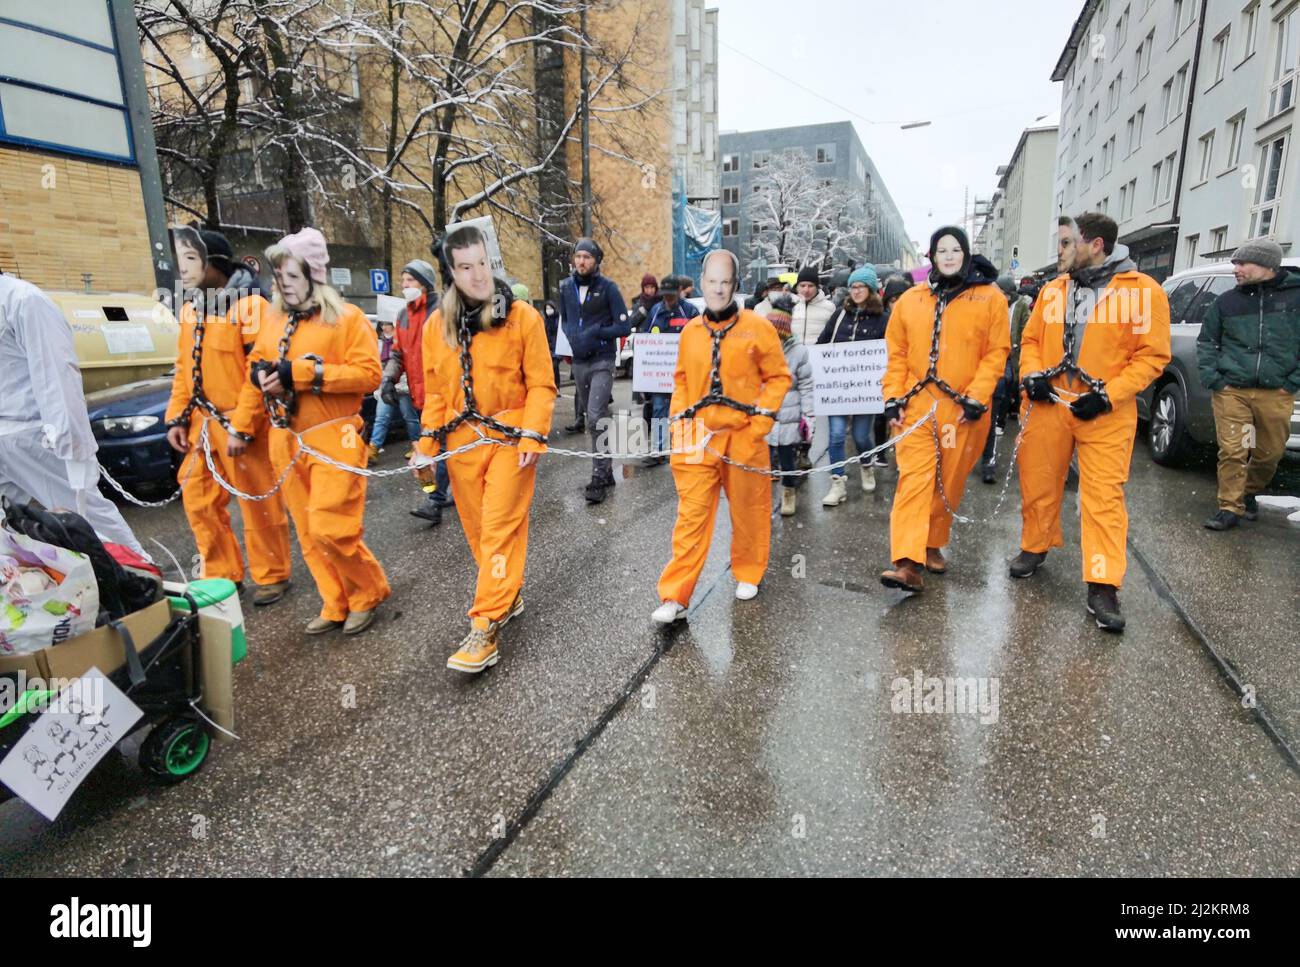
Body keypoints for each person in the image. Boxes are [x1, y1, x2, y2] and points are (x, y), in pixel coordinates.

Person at [1012, 213, 1171, 632]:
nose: (1059, 252)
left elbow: (1152, 356)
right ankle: (1035, 545)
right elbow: (1029, 342)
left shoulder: (1142, 293)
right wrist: (1031, 378)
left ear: (1095, 245)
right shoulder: (1052, 290)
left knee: (1102, 498)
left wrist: (1107, 396)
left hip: (1105, 413)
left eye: (1066, 243)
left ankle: (1102, 582)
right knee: (1039, 481)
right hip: (1049, 405)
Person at [231, 227, 390, 635]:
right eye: (278, 272)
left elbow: (368, 375)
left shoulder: (347, 319)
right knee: (307, 531)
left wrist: (302, 373)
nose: (280, 280)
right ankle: (335, 601)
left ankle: (367, 591)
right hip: (286, 439)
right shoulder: (273, 320)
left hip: (334, 436)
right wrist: (243, 422)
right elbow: (258, 379)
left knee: (330, 526)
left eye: (288, 271)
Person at [414, 225, 556, 673]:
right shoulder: (438, 326)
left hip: (510, 441)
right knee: (478, 532)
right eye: (464, 267)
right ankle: (506, 594)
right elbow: (436, 394)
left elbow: (541, 384)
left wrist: (533, 433)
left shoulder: (522, 318)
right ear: (451, 273)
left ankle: (484, 628)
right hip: (461, 444)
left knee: (497, 529)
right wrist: (425, 444)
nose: (477, 276)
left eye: (483, 264)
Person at [652, 249, 791, 623]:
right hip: (698, 437)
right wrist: (680, 424)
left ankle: (748, 571)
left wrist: (761, 422)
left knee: (749, 510)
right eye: (711, 281)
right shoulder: (691, 333)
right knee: (691, 518)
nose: (717, 288)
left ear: (735, 284)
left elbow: (778, 377)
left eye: (724, 281)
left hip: (744, 435)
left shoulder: (758, 327)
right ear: (701, 283)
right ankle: (675, 595)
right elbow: (681, 381)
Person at [165, 226, 292, 605]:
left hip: (242, 423)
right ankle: (221, 574)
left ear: (215, 264)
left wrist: (244, 426)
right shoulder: (190, 310)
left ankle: (272, 574)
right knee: (198, 499)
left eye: (191, 259)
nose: (183, 269)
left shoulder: (251, 307)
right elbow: (184, 368)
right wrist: (176, 417)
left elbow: (260, 372)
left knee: (258, 501)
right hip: (201, 423)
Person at [879, 227, 1010, 593]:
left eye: (955, 249)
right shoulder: (910, 300)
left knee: (948, 481)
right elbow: (897, 355)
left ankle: (932, 542)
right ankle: (906, 562)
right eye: (942, 250)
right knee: (913, 481)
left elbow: (996, 352)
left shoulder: (990, 299)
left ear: (966, 254)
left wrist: (978, 395)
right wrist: (893, 397)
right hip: (917, 406)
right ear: (932, 257)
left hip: (962, 409)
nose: (949, 256)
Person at [0, 272, 145, 557]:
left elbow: (56, 371)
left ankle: (143, 579)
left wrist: (71, 439)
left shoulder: (23, 300)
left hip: (33, 432)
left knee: (89, 518)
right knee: (10, 537)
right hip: (13, 433)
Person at [1196, 239, 1300, 530]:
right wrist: (1215, 380)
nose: (1236, 269)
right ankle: (1229, 508)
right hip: (1233, 391)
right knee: (1233, 450)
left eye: (1242, 263)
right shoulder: (1226, 301)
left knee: (1270, 453)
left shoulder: (1296, 298)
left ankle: (1246, 491)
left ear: (1267, 265)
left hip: (1276, 392)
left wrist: (1292, 382)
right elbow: (1207, 342)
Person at [558, 238, 630, 502]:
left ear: (596, 260)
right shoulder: (565, 287)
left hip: (602, 359)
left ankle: (598, 477)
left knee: (596, 416)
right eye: (578, 256)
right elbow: (565, 319)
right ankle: (607, 469)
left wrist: (598, 332)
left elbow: (624, 326)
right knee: (593, 416)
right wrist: (572, 337)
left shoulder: (608, 288)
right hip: (579, 360)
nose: (581, 261)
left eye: (587, 257)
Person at [381, 260, 453, 526]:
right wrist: (388, 379)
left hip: (443, 393)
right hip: (417, 395)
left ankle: (434, 500)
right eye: (403, 282)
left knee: (438, 448)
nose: (404, 286)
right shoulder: (402, 315)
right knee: (426, 450)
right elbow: (397, 353)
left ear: (424, 282)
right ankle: (440, 493)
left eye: (409, 281)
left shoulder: (443, 310)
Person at [817, 264, 888, 504]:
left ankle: (866, 465)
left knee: (860, 437)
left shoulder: (883, 319)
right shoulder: (839, 316)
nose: (856, 291)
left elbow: (890, 352)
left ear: (871, 289)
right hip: (837, 389)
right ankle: (838, 483)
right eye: (853, 287)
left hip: (865, 391)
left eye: (861, 287)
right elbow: (822, 344)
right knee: (836, 436)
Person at [978, 274, 1032, 484]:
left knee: (990, 418)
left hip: (1003, 364)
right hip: (980, 370)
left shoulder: (1018, 308)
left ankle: (988, 463)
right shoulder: (983, 308)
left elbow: (1025, 331)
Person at [764, 294, 814, 516]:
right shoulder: (760, 348)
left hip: (789, 413)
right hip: (764, 413)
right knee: (761, 461)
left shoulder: (799, 352)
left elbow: (806, 386)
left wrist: (808, 417)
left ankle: (788, 493)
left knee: (787, 459)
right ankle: (760, 497)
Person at [639, 276, 695, 467]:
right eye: (665, 296)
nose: (668, 300)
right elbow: (646, 339)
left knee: (685, 411)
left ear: (679, 291)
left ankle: (685, 447)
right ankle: (659, 450)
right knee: (659, 409)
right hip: (661, 375)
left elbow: (700, 338)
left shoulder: (689, 311)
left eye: (671, 295)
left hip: (685, 373)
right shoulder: (655, 311)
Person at [368, 319, 420, 465]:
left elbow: (406, 362)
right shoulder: (380, 343)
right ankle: (373, 449)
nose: (385, 327)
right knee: (381, 418)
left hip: (402, 384)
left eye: (387, 324)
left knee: (409, 417)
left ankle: (417, 446)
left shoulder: (403, 340)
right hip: (386, 385)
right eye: (382, 324)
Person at [790, 266, 836, 345]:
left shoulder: (829, 307)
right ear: (797, 286)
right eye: (802, 285)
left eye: (811, 286)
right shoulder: (788, 305)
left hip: (819, 354)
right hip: (793, 354)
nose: (806, 290)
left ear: (817, 287)